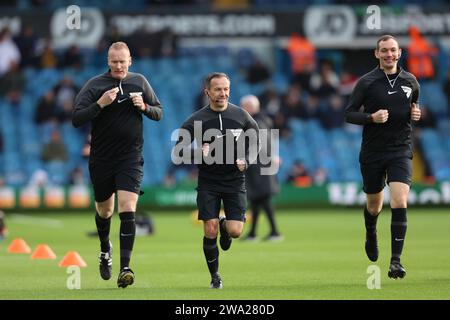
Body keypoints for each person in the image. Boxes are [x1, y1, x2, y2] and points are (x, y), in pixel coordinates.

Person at [72, 41, 163, 288]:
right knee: (105, 211)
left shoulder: (140, 82)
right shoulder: (95, 85)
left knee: (127, 206)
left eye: (123, 61)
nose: (119, 65)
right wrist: (100, 104)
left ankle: (125, 267)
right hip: (101, 158)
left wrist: (143, 106)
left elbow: (159, 112)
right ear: (108, 62)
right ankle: (105, 248)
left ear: (130, 61)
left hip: (130, 157)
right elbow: (76, 118)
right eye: (115, 61)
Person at [345, 35, 421, 279]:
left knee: (399, 200)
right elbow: (349, 114)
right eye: (384, 51)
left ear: (399, 53)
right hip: (373, 152)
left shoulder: (411, 81)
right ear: (376, 54)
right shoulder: (366, 83)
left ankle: (395, 261)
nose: (389, 54)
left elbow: (414, 105)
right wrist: (370, 118)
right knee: (374, 205)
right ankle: (371, 231)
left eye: (393, 50)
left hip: (400, 149)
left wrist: (416, 113)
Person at [173, 72, 259, 289]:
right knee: (209, 230)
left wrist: (247, 160)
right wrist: (197, 153)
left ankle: (225, 224)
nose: (223, 93)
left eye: (226, 89)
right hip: (208, 182)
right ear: (207, 92)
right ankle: (215, 276)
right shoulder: (196, 119)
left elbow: (257, 141)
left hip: (234, 181)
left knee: (236, 231)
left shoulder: (241, 116)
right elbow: (178, 151)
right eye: (218, 89)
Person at [240, 95, 282, 242]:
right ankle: (253, 233)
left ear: (251, 107)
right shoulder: (263, 120)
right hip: (259, 165)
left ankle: (275, 232)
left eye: (243, 106)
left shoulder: (256, 122)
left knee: (263, 199)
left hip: (259, 165)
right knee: (257, 200)